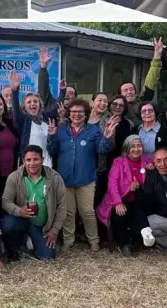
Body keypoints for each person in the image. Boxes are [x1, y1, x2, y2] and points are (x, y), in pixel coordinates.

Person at [47, 100, 117, 252]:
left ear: (86, 115)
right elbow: (53, 150)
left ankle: (94, 240)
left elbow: (102, 150)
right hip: (65, 179)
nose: (76, 114)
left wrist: (106, 137)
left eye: (80, 112)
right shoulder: (61, 129)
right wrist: (52, 137)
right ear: (69, 114)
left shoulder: (93, 130)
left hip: (86, 178)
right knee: (68, 212)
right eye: (73, 112)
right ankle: (68, 240)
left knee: (87, 212)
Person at [1, 146, 68, 261]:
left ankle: (30, 239)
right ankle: (13, 249)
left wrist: (54, 230)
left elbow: (62, 207)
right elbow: (6, 201)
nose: (32, 163)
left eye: (36, 159)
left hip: (41, 226)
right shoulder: (14, 177)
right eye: (28, 160)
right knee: (8, 224)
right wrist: (19, 211)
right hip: (21, 220)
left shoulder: (55, 178)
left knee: (47, 257)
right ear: (23, 161)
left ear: (42, 159)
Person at [97, 136, 156, 257]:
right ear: (127, 148)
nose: (136, 149)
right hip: (120, 199)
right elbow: (112, 184)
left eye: (139, 146)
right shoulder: (118, 162)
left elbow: (158, 162)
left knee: (140, 211)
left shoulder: (147, 161)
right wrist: (118, 202)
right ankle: (124, 244)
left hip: (138, 200)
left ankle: (140, 238)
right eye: (132, 146)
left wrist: (153, 166)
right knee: (120, 214)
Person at [7, 70, 53, 167]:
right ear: (24, 106)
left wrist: (62, 92)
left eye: (35, 101)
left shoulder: (46, 119)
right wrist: (14, 92)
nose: (32, 104)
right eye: (29, 102)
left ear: (40, 105)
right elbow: (16, 111)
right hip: (28, 167)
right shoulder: (24, 120)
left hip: (47, 165)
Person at [120, 38, 164, 127]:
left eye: (131, 89)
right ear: (120, 94)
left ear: (136, 92)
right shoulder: (118, 107)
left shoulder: (143, 101)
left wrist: (156, 57)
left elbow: (150, 82)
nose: (129, 92)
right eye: (125, 90)